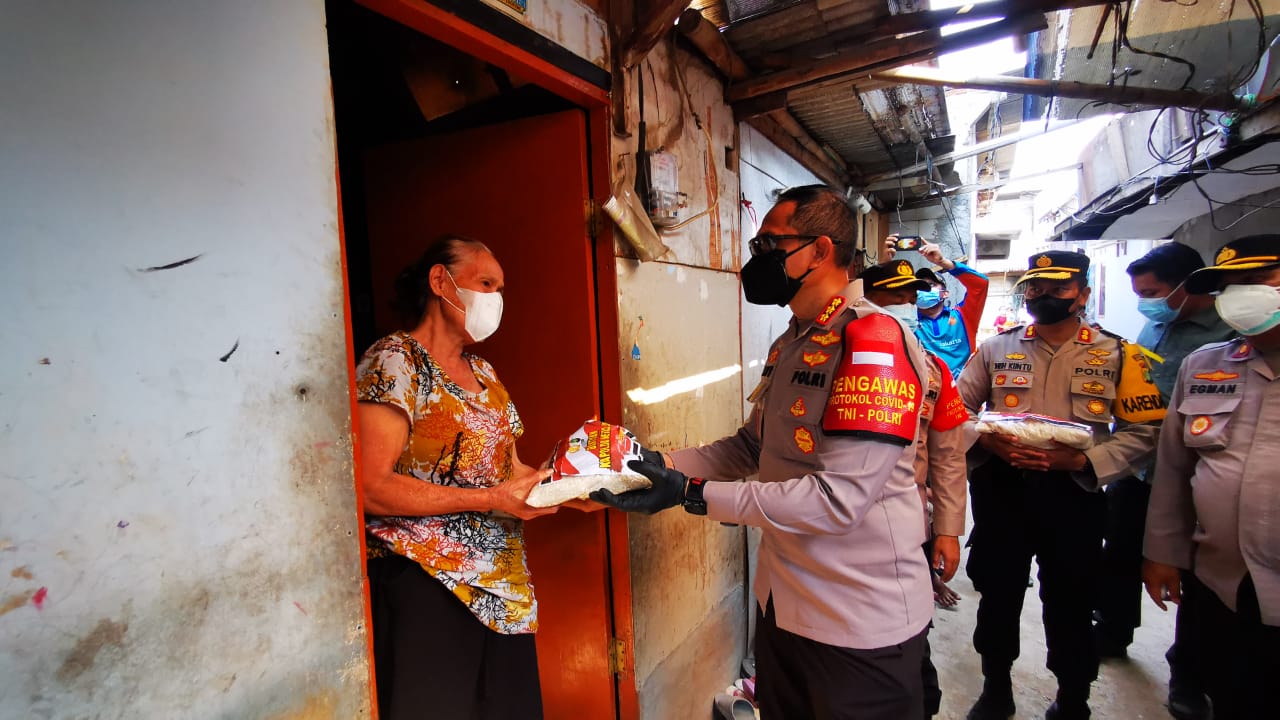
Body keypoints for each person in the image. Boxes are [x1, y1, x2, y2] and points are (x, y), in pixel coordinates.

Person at [594, 186, 935, 719]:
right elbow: (749, 446)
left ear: (820, 251)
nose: (757, 260)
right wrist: (651, 464)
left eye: (770, 245)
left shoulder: (873, 342)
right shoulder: (796, 339)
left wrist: (689, 494)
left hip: (858, 625)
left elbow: (836, 501)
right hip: (785, 612)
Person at [356, 235, 573, 720]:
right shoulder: (396, 361)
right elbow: (370, 487)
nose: (496, 299)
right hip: (428, 585)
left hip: (504, 593)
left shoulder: (485, 372)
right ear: (441, 281)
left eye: (500, 288)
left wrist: (575, 485)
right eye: (486, 283)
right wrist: (491, 497)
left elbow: (511, 471)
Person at [956, 250, 1163, 720]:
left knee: (1072, 599)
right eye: (1036, 288)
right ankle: (996, 688)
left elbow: (1146, 431)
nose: (1043, 296)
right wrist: (990, 443)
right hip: (1003, 491)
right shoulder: (996, 348)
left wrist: (1085, 459)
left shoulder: (1117, 353)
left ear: (1082, 294)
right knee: (998, 592)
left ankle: (1074, 695)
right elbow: (958, 414)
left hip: (1074, 495)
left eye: (1058, 288)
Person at [1143, 234, 1280, 720]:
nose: (1241, 294)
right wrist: (1162, 553)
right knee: (1234, 691)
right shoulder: (1204, 367)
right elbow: (1175, 469)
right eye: (1230, 285)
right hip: (1222, 578)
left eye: (1256, 280)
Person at [1093, 242, 1229, 719]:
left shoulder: (1229, 337)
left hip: (1199, 478)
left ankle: (1189, 676)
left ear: (1188, 285)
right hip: (1140, 468)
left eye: (1152, 291)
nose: (1145, 301)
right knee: (1121, 554)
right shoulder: (1155, 325)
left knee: (1197, 581)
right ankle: (1112, 630)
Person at [862, 259, 972, 719]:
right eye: (896, 298)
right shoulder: (827, 361)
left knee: (909, 640)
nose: (908, 306)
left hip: (910, 524)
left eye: (912, 298)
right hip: (838, 525)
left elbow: (948, 456)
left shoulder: (935, 373)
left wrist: (947, 530)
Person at [885, 236, 990, 377]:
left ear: (945, 293)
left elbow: (980, 284)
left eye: (931, 285)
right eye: (919, 287)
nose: (924, 291)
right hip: (924, 395)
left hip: (960, 395)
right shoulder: (908, 323)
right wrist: (885, 264)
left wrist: (943, 262)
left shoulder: (963, 317)